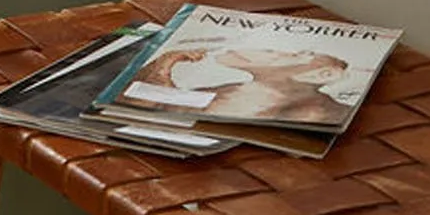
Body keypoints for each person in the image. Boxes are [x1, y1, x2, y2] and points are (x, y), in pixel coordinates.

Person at [126, 40, 357, 129]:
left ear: (321, 75)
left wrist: (161, 69)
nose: (255, 49)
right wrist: (163, 67)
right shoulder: (235, 90)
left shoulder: (313, 112)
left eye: (273, 51)